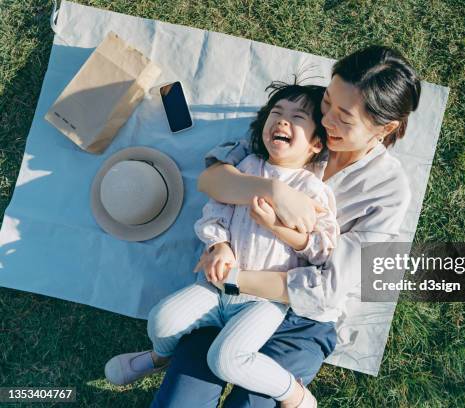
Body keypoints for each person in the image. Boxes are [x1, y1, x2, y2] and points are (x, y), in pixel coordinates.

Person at [152, 44, 422, 407]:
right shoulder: (298, 120)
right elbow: (214, 179)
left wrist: (234, 278)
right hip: (224, 298)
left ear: (384, 128)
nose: (327, 121)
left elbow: (327, 289)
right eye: (328, 101)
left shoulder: (388, 192)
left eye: (345, 117)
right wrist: (273, 190)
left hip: (300, 318)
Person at [104, 82, 340, 407]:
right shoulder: (247, 167)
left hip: (264, 300)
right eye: (277, 113)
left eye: (297, 117)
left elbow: (322, 248)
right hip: (216, 285)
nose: (282, 122)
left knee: (225, 360)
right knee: (162, 319)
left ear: (315, 144)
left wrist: (277, 227)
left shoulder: (313, 191)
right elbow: (216, 206)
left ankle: (293, 394)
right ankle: (160, 359)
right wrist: (219, 244)